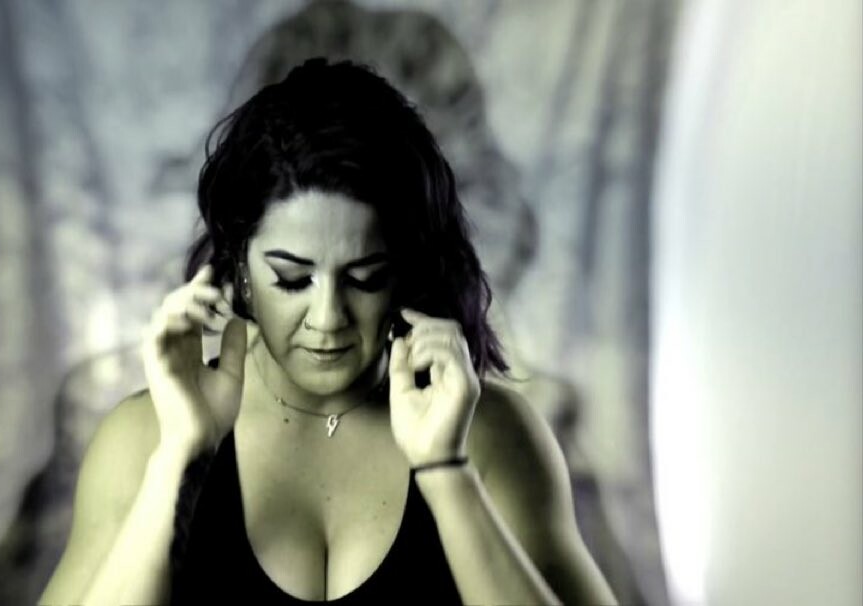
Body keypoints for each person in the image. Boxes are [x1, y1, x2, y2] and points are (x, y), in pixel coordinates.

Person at [40, 58, 617, 605]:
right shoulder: (142, 438)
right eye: (293, 279)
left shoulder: (493, 435)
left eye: (364, 278)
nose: (327, 317)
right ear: (240, 270)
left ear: (406, 272)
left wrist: (447, 472)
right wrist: (178, 457)